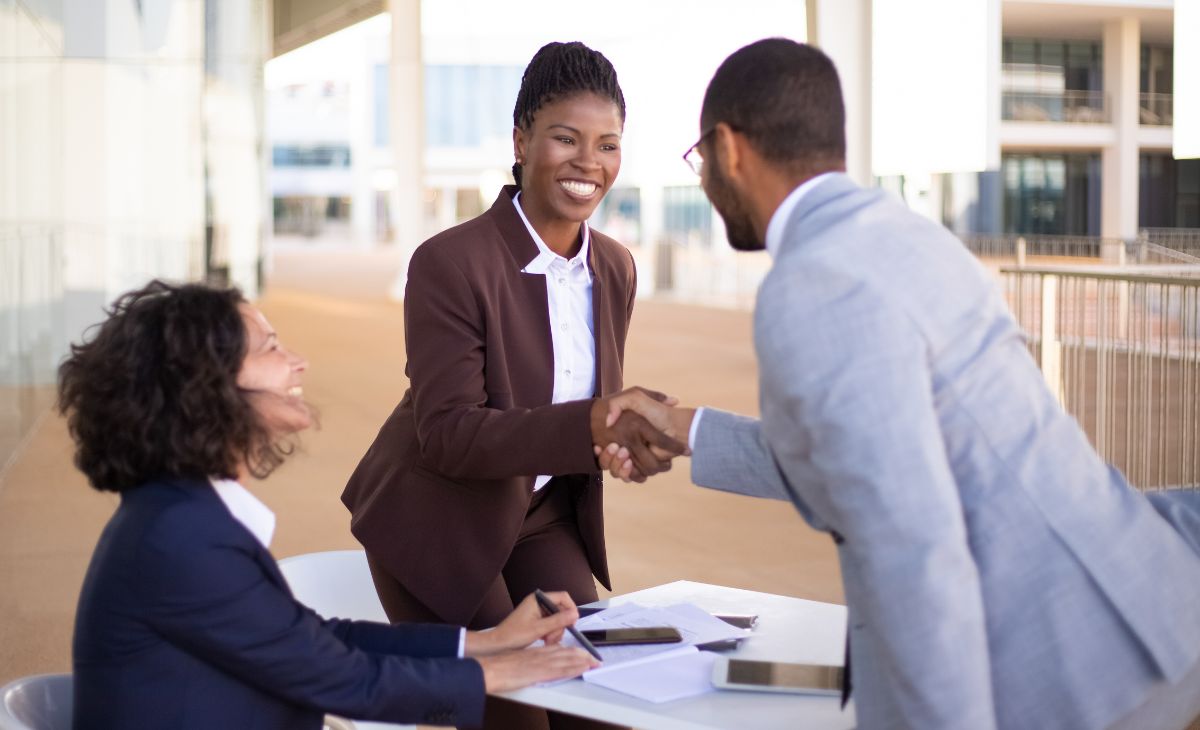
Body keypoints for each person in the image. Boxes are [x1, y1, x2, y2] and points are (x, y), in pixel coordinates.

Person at [597, 38, 1200, 730]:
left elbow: (912, 546)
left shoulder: (814, 284)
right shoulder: (904, 236)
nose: (704, 181)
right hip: (1135, 600)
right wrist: (686, 431)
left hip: (1065, 672)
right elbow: (861, 457)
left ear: (730, 149)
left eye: (700, 161)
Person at [62, 280, 598, 730]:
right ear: (203, 387)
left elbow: (317, 642)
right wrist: (500, 674)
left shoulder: (181, 515)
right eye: (271, 348)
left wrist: (488, 643)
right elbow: (343, 679)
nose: (298, 362)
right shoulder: (184, 539)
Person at [340, 40, 682, 730]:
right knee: (518, 715)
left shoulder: (613, 268)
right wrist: (592, 424)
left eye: (608, 144)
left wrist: (623, 440)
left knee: (598, 700)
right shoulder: (449, 263)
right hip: (437, 513)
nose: (590, 162)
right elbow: (449, 435)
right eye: (566, 138)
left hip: (540, 515)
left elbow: (579, 408)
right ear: (522, 140)